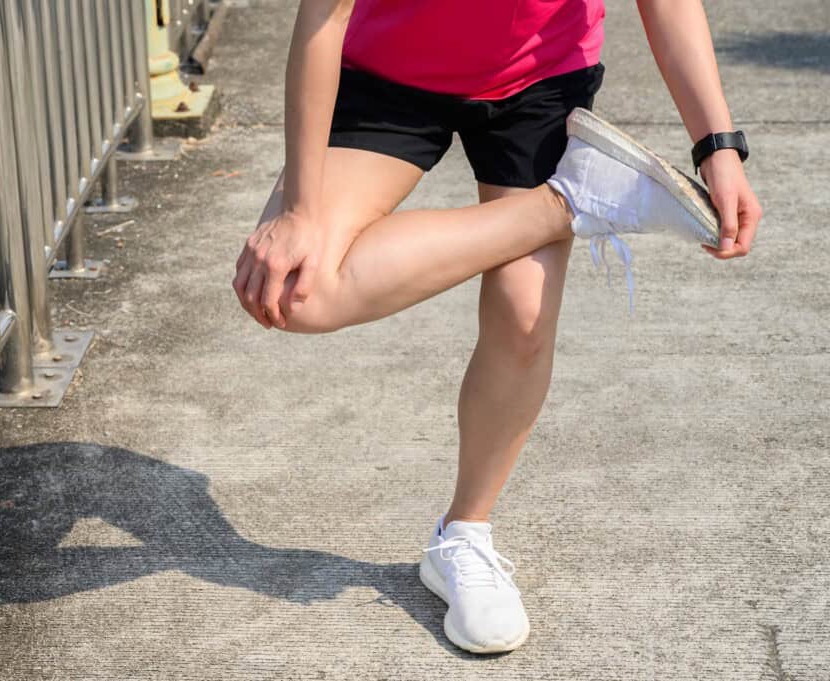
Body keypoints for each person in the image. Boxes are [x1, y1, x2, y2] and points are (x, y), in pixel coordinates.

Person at [232, 0, 762, 654]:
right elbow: (322, 16)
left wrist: (719, 147)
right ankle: (577, 198)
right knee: (289, 288)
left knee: (524, 315)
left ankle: (464, 534)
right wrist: (303, 213)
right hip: (386, 74)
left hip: (536, 81)